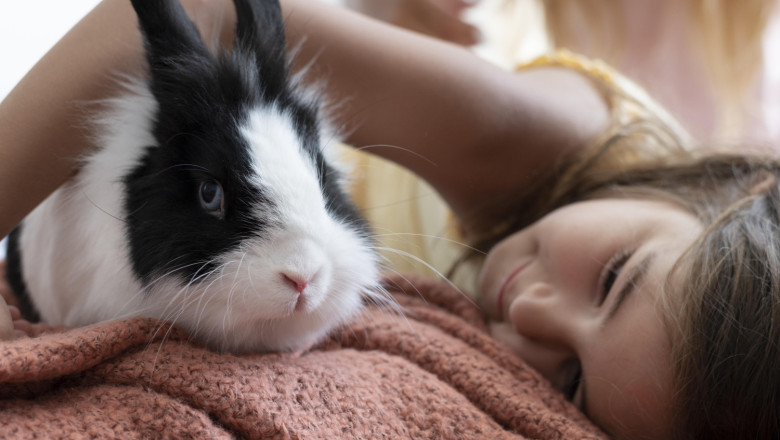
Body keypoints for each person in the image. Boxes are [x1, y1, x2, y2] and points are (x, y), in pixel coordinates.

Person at [0, 0, 777, 438]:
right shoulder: (551, 138)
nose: (534, 312)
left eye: (571, 383)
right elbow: (208, 14)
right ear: (710, 190)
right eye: (614, 280)